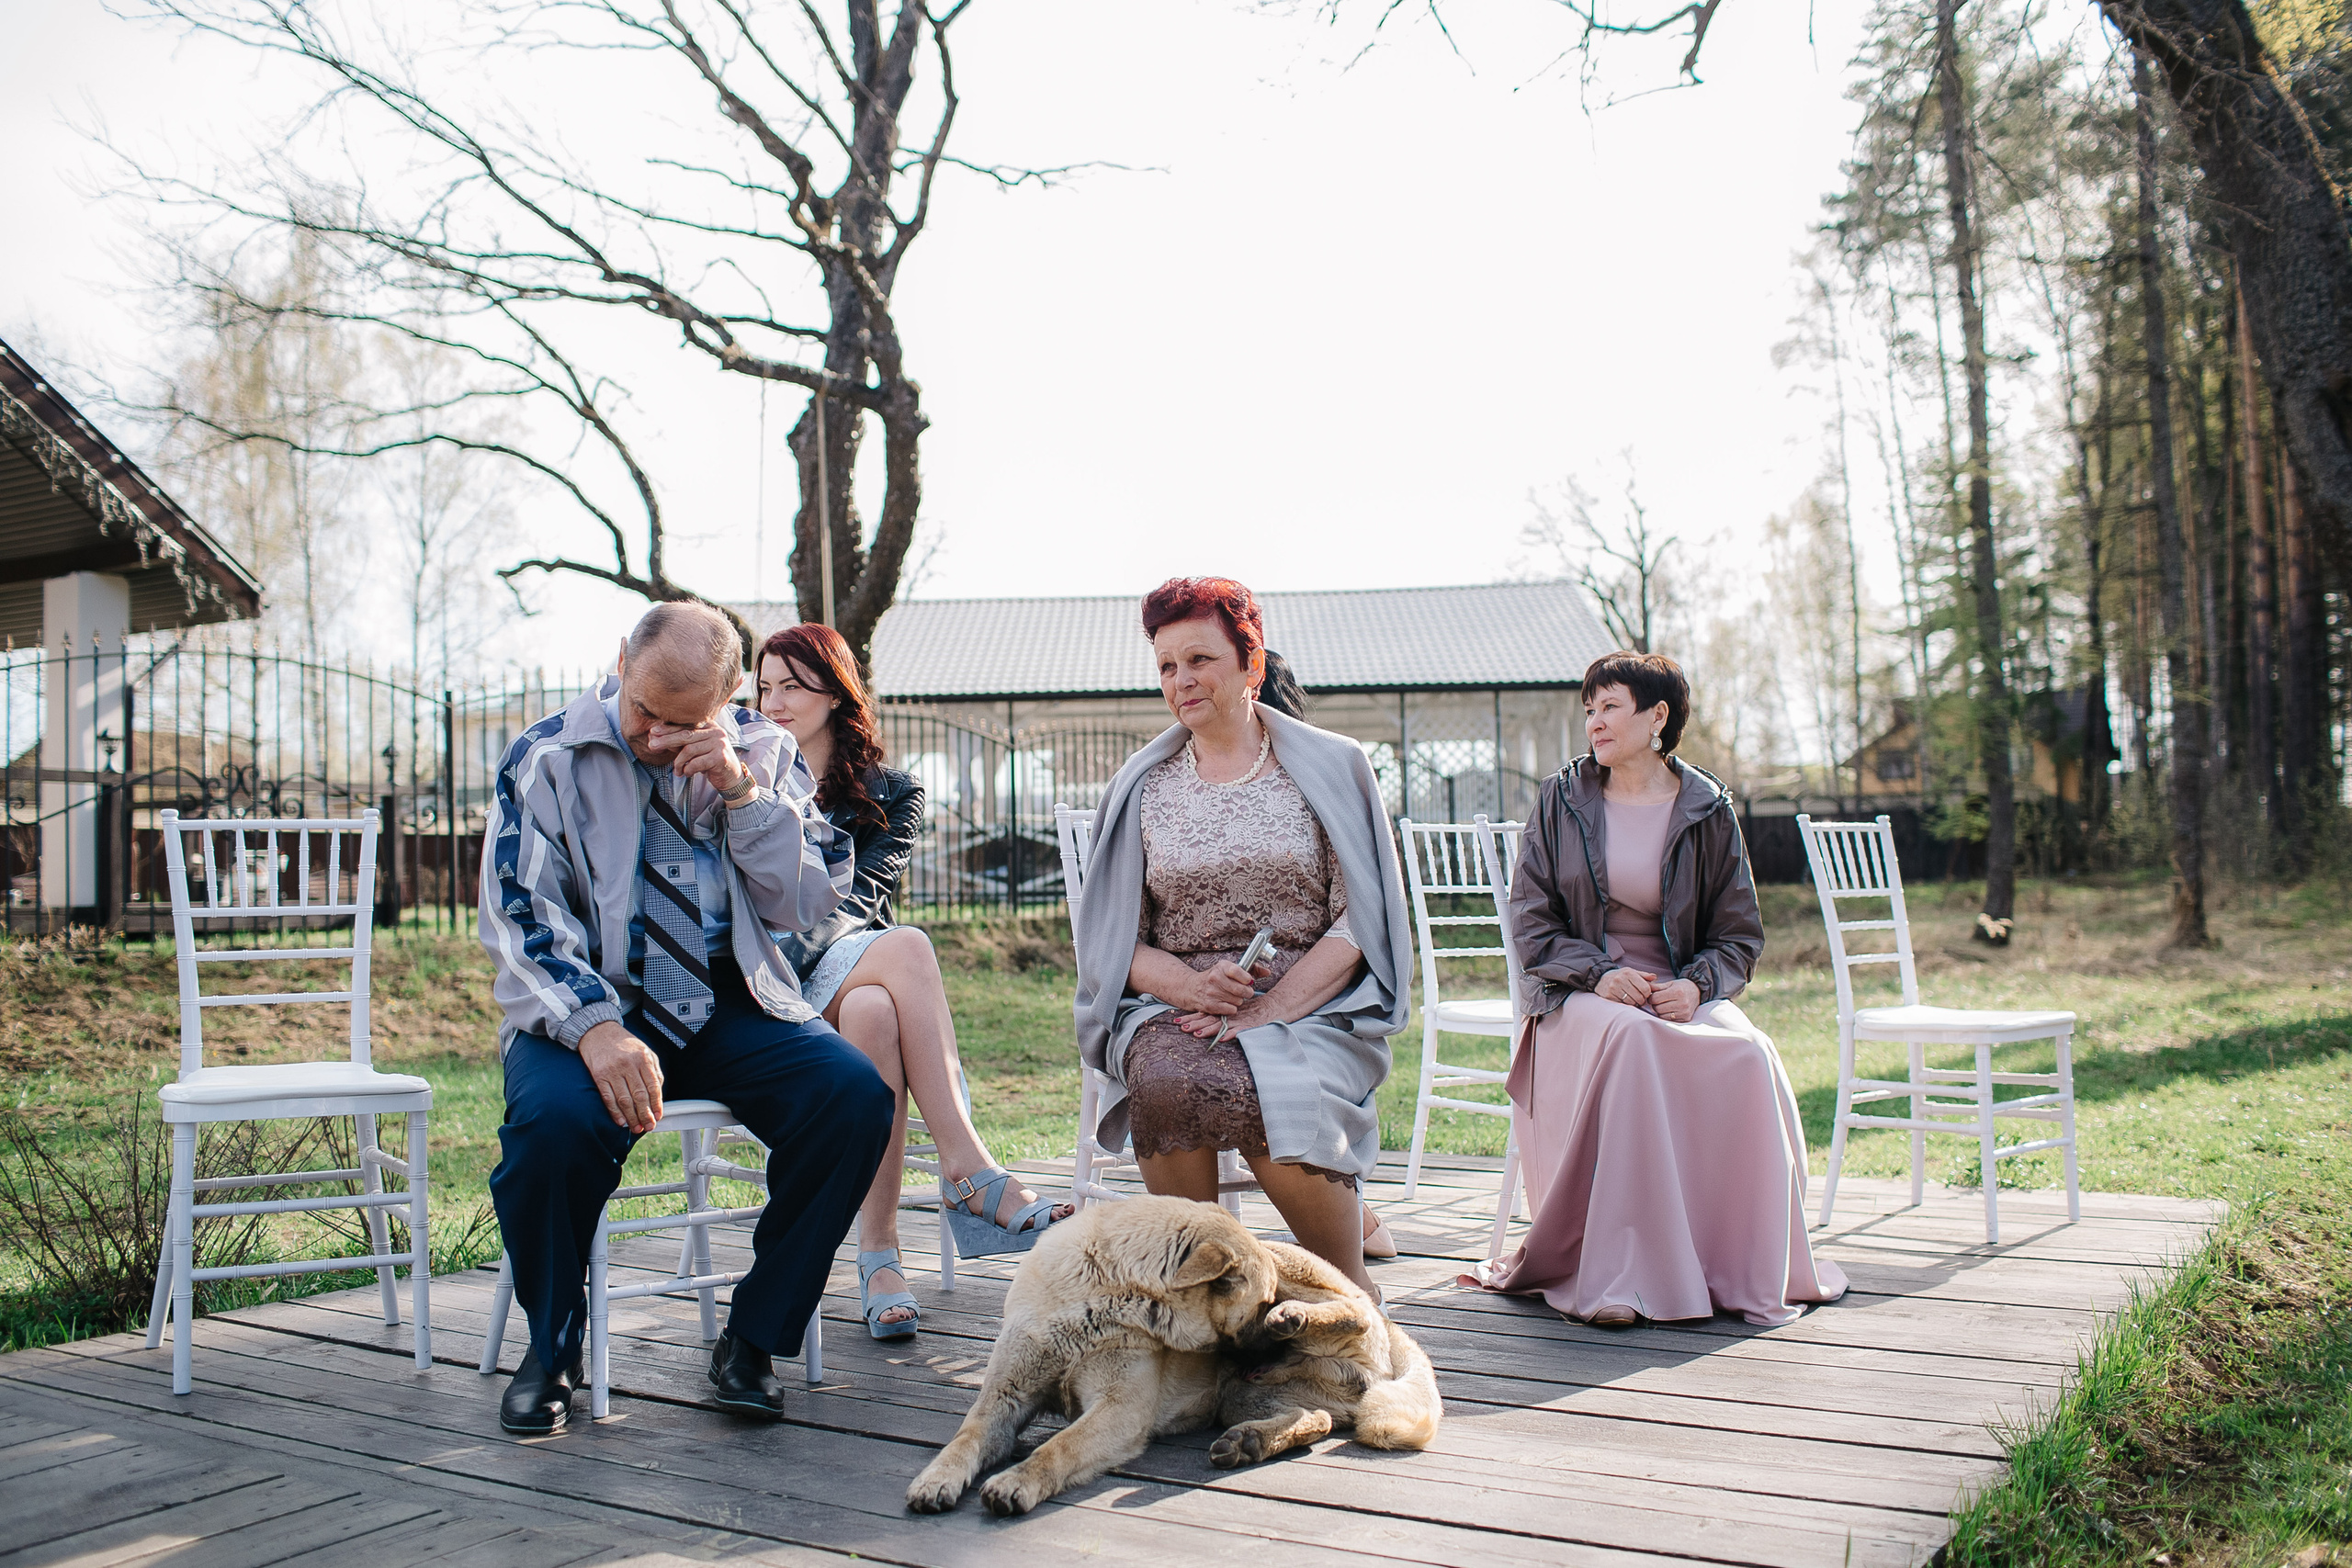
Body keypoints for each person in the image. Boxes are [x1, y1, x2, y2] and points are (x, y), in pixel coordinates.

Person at [480, 602, 896, 1433]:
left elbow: (810, 899)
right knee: (552, 1128)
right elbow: (521, 918)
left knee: (853, 1098)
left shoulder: (765, 753)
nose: (654, 738)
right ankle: (553, 1346)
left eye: (682, 721)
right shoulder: (547, 757)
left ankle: (752, 1339)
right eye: (643, 712)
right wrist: (595, 1027)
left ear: (730, 692)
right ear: (620, 659)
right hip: (587, 997)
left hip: (724, 994)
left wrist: (742, 795)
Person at [1465, 650, 1849, 1327]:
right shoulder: (1561, 798)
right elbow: (1531, 922)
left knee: (1750, 1052)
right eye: (1589, 709)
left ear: (1658, 716)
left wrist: (1698, 988)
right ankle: (1621, 1277)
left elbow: (1740, 935)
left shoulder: (1708, 806)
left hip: (1679, 992)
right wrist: (1599, 973)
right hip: (1577, 995)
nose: (1595, 722)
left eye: (1609, 706)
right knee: (1635, 1039)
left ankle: (1738, 1267)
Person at [1071, 577, 1412, 1298]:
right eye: (1167, 665)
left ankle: (1347, 1294)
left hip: (1314, 1000)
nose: (1182, 680)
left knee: (1265, 1078)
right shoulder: (1142, 786)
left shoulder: (1331, 766)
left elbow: (1361, 921)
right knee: (1165, 1081)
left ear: (1251, 665)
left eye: (1200, 659)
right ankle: (1206, 1303)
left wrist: (1269, 1007)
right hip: (1174, 1004)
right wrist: (1190, 986)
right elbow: (1112, 943)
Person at [752, 623, 1072, 1341]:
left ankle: (881, 1254)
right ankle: (966, 1167)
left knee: (873, 1010)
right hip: (766, 976)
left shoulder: (892, 793)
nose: (772, 701)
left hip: (848, 963)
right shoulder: (746, 774)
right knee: (909, 947)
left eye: (791, 686)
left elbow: (859, 899)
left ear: (835, 692)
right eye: (764, 685)